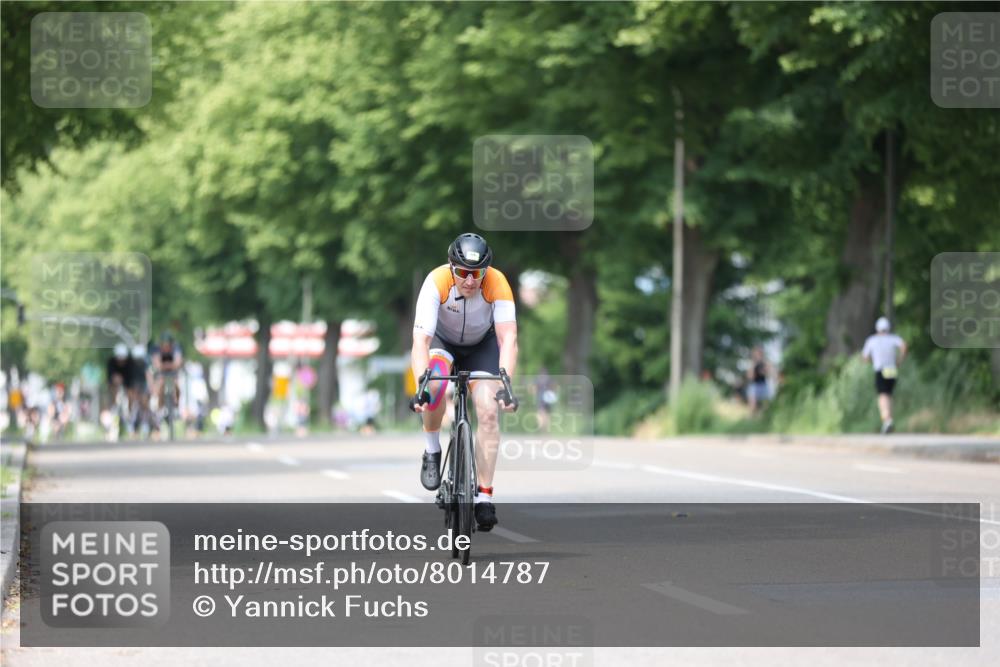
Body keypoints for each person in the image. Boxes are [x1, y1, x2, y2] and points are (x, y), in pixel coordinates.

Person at [410, 233, 518, 531]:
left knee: (488, 411)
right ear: (451, 267)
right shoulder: (436, 281)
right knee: (434, 387)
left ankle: (484, 497)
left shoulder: (497, 282)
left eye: (477, 274)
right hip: (442, 342)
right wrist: (421, 385)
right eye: (462, 272)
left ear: (486, 271)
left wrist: (506, 385)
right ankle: (432, 450)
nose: (470, 280)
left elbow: (508, 338)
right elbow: (421, 340)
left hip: (482, 347)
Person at [861, 316, 907, 434]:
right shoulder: (893, 338)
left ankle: (887, 420)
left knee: (882, 395)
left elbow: (864, 357)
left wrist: (872, 361)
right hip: (891, 369)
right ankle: (888, 420)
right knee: (889, 395)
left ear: (877, 328)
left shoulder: (872, 340)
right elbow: (903, 345)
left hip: (880, 369)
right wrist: (900, 360)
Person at [746, 346, 771, 415]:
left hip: (763, 384)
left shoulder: (765, 362)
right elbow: (750, 376)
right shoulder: (752, 363)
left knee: (766, 403)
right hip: (754, 384)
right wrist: (754, 366)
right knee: (753, 403)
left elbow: (768, 373)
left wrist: (764, 371)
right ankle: (752, 416)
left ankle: (764, 416)